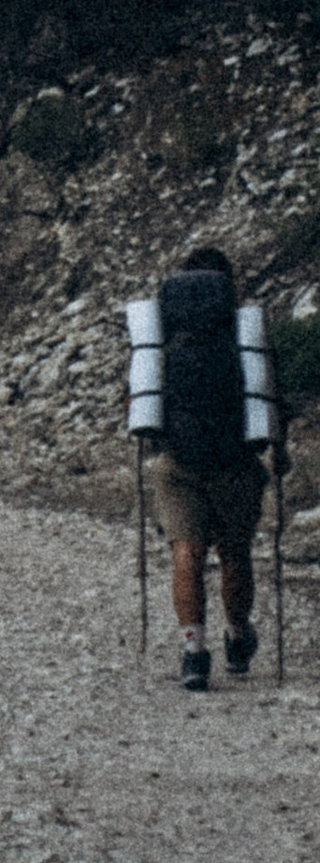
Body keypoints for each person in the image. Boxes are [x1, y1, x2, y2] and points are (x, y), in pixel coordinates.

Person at [138, 244, 279, 690]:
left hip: (177, 463)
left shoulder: (162, 334)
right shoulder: (245, 333)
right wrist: (281, 451)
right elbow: (269, 396)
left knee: (186, 554)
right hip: (237, 463)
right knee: (234, 554)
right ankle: (238, 636)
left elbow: (139, 400)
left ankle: (194, 653)